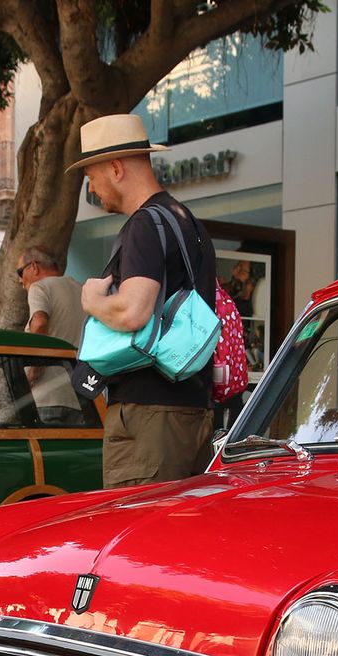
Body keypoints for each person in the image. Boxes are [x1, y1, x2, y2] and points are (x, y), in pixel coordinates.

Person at [73, 113, 216, 487]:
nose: (92, 188)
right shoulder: (188, 223)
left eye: (91, 177)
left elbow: (133, 311)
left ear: (116, 168)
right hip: (192, 410)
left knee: (135, 522)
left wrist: (92, 301)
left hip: (147, 416)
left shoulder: (144, 225)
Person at [15, 245, 84, 425]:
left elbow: (39, 322)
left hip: (47, 395)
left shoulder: (39, 287)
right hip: (81, 398)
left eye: (20, 272)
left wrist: (35, 368)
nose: (20, 280)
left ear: (34, 266)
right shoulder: (82, 290)